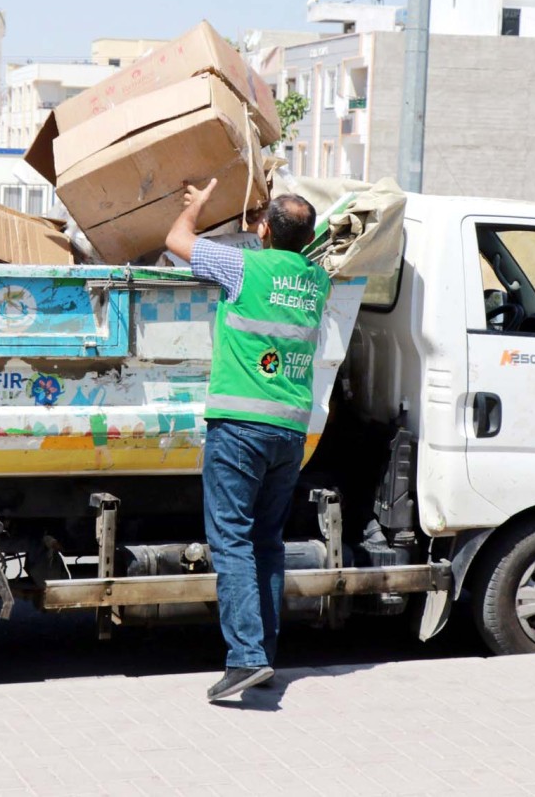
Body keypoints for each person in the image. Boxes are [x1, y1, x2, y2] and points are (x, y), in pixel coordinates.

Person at [165, 178, 331, 702]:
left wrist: (197, 208)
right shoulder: (317, 281)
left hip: (239, 424)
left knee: (231, 541)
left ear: (262, 230)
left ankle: (246, 659)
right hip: (290, 431)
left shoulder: (243, 267)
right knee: (266, 543)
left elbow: (176, 240)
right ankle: (265, 656)